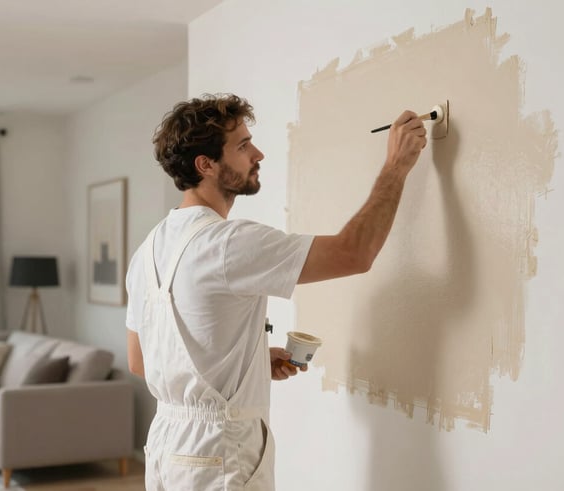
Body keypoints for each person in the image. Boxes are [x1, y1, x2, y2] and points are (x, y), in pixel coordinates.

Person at [126, 94, 426, 490]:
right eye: (243, 145)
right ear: (206, 164)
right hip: (218, 452)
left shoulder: (148, 250)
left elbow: (140, 361)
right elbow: (355, 253)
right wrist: (396, 166)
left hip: (167, 448)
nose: (258, 153)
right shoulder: (228, 243)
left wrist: (243, 365)